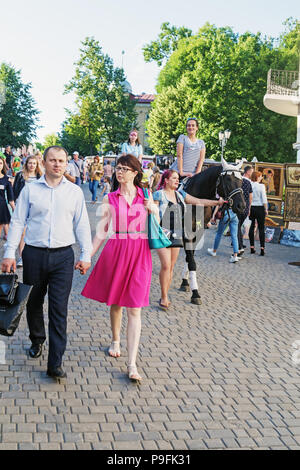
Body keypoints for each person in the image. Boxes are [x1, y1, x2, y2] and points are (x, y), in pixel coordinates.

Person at [1, 145, 92, 383]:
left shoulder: (74, 192)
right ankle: (37, 339)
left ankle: (55, 362)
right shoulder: (31, 190)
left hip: (63, 256)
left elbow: (82, 224)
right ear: (45, 161)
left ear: (66, 163)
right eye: (53, 160)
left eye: (61, 161)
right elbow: (18, 222)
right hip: (34, 254)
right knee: (33, 302)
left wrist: (86, 254)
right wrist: (9, 253)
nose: (57, 164)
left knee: (59, 309)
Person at [82, 154, 156, 383]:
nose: (119, 172)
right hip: (117, 249)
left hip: (140, 252)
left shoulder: (146, 195)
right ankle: (115, 339)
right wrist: (87, 256)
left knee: (135, 308)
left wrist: (153, 208)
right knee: (116, 303)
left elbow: (158, 222)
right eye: (118, 168)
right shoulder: (109, 198)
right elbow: (102, 232)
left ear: (135, 172)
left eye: (125, 168)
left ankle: (132, 364)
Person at [153, 170, 222, 309]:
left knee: (171, 267)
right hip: (163, 233)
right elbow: (154, 214)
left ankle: (165, 293)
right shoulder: (158, 195)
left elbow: (199, 201)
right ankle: (164, 297)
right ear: (166, 180)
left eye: (178, 178)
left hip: (177, 233)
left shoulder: (180, 195)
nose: (177, 181)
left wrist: (217, 202)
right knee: (166, 266)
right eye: (174, 178)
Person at [12, 155, 43, 267]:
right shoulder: (21, 175)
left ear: (37, 165)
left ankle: (34, 257)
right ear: (26, 164)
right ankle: (21, 257)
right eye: (30, 163)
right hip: (23, 206)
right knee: (23, 233)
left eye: (34, 163)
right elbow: (15, 190)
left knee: (35, 231)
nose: (32, 165)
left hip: (36, 207)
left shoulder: (40, 176)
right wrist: (14, 204)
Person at [249, 171, 268, 256]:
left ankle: (252, 247)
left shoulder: (250, 185)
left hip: (251, 207)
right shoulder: (261, 186)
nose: (261, 178)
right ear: (257, 177)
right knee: (261, 228)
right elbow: (264, 199)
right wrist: (266, 209)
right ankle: (262, 248)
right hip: (260, 208)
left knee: (251, 227)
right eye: (260, 176)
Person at [237, 165, 253, 256]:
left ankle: (239, 246)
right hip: (245, 208)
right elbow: (250, 197)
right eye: (251, 171)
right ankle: (239, 245)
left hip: (237, 207)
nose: (252, 173)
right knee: (238, 226)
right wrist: (249, 208)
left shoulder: (238, 181)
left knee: (237, 226)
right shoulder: (248, 182)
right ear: (247, 171)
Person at [0, 158, 15, 240]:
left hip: (1, 207)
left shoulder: (7, 179)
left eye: (0, 163)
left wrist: (14, 209)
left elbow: (10, 197)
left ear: (3, 165)